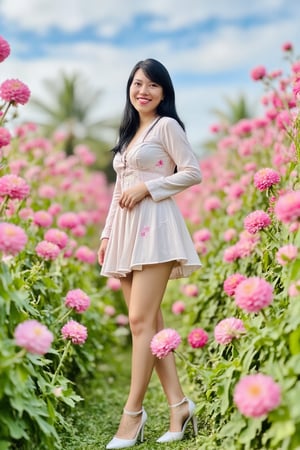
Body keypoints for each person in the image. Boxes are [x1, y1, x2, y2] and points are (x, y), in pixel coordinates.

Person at [98, 58, 202, 449]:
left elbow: (192, 171)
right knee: (150, 325)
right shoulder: (129, 133)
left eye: (152, 85)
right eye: (138, 83)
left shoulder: (167, 126)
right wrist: (107, 233)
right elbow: (118, 188)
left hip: (156, 227)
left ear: (164, 92)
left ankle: (133, 414)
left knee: (140, 322)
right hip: (125, 232)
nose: (143, 91)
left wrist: (148, 187)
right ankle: (179, 407)